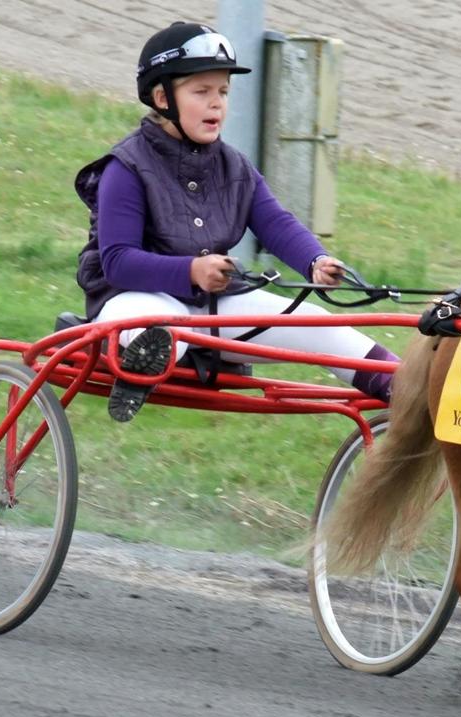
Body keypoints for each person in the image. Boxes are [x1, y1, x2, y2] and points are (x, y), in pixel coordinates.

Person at [74, 21, 399, 422]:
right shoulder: (125, 167)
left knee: (317, 323)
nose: (218, 104)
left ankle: (406, 390)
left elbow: (275, 223)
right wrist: (192, 270)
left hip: (212, 307)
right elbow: (118, 262)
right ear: (162, 98)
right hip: (130, 301)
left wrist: (315, 261)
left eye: (224, 92)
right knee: (163, 331)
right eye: (202, 92)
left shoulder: (234, 166)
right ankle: (139, 369)